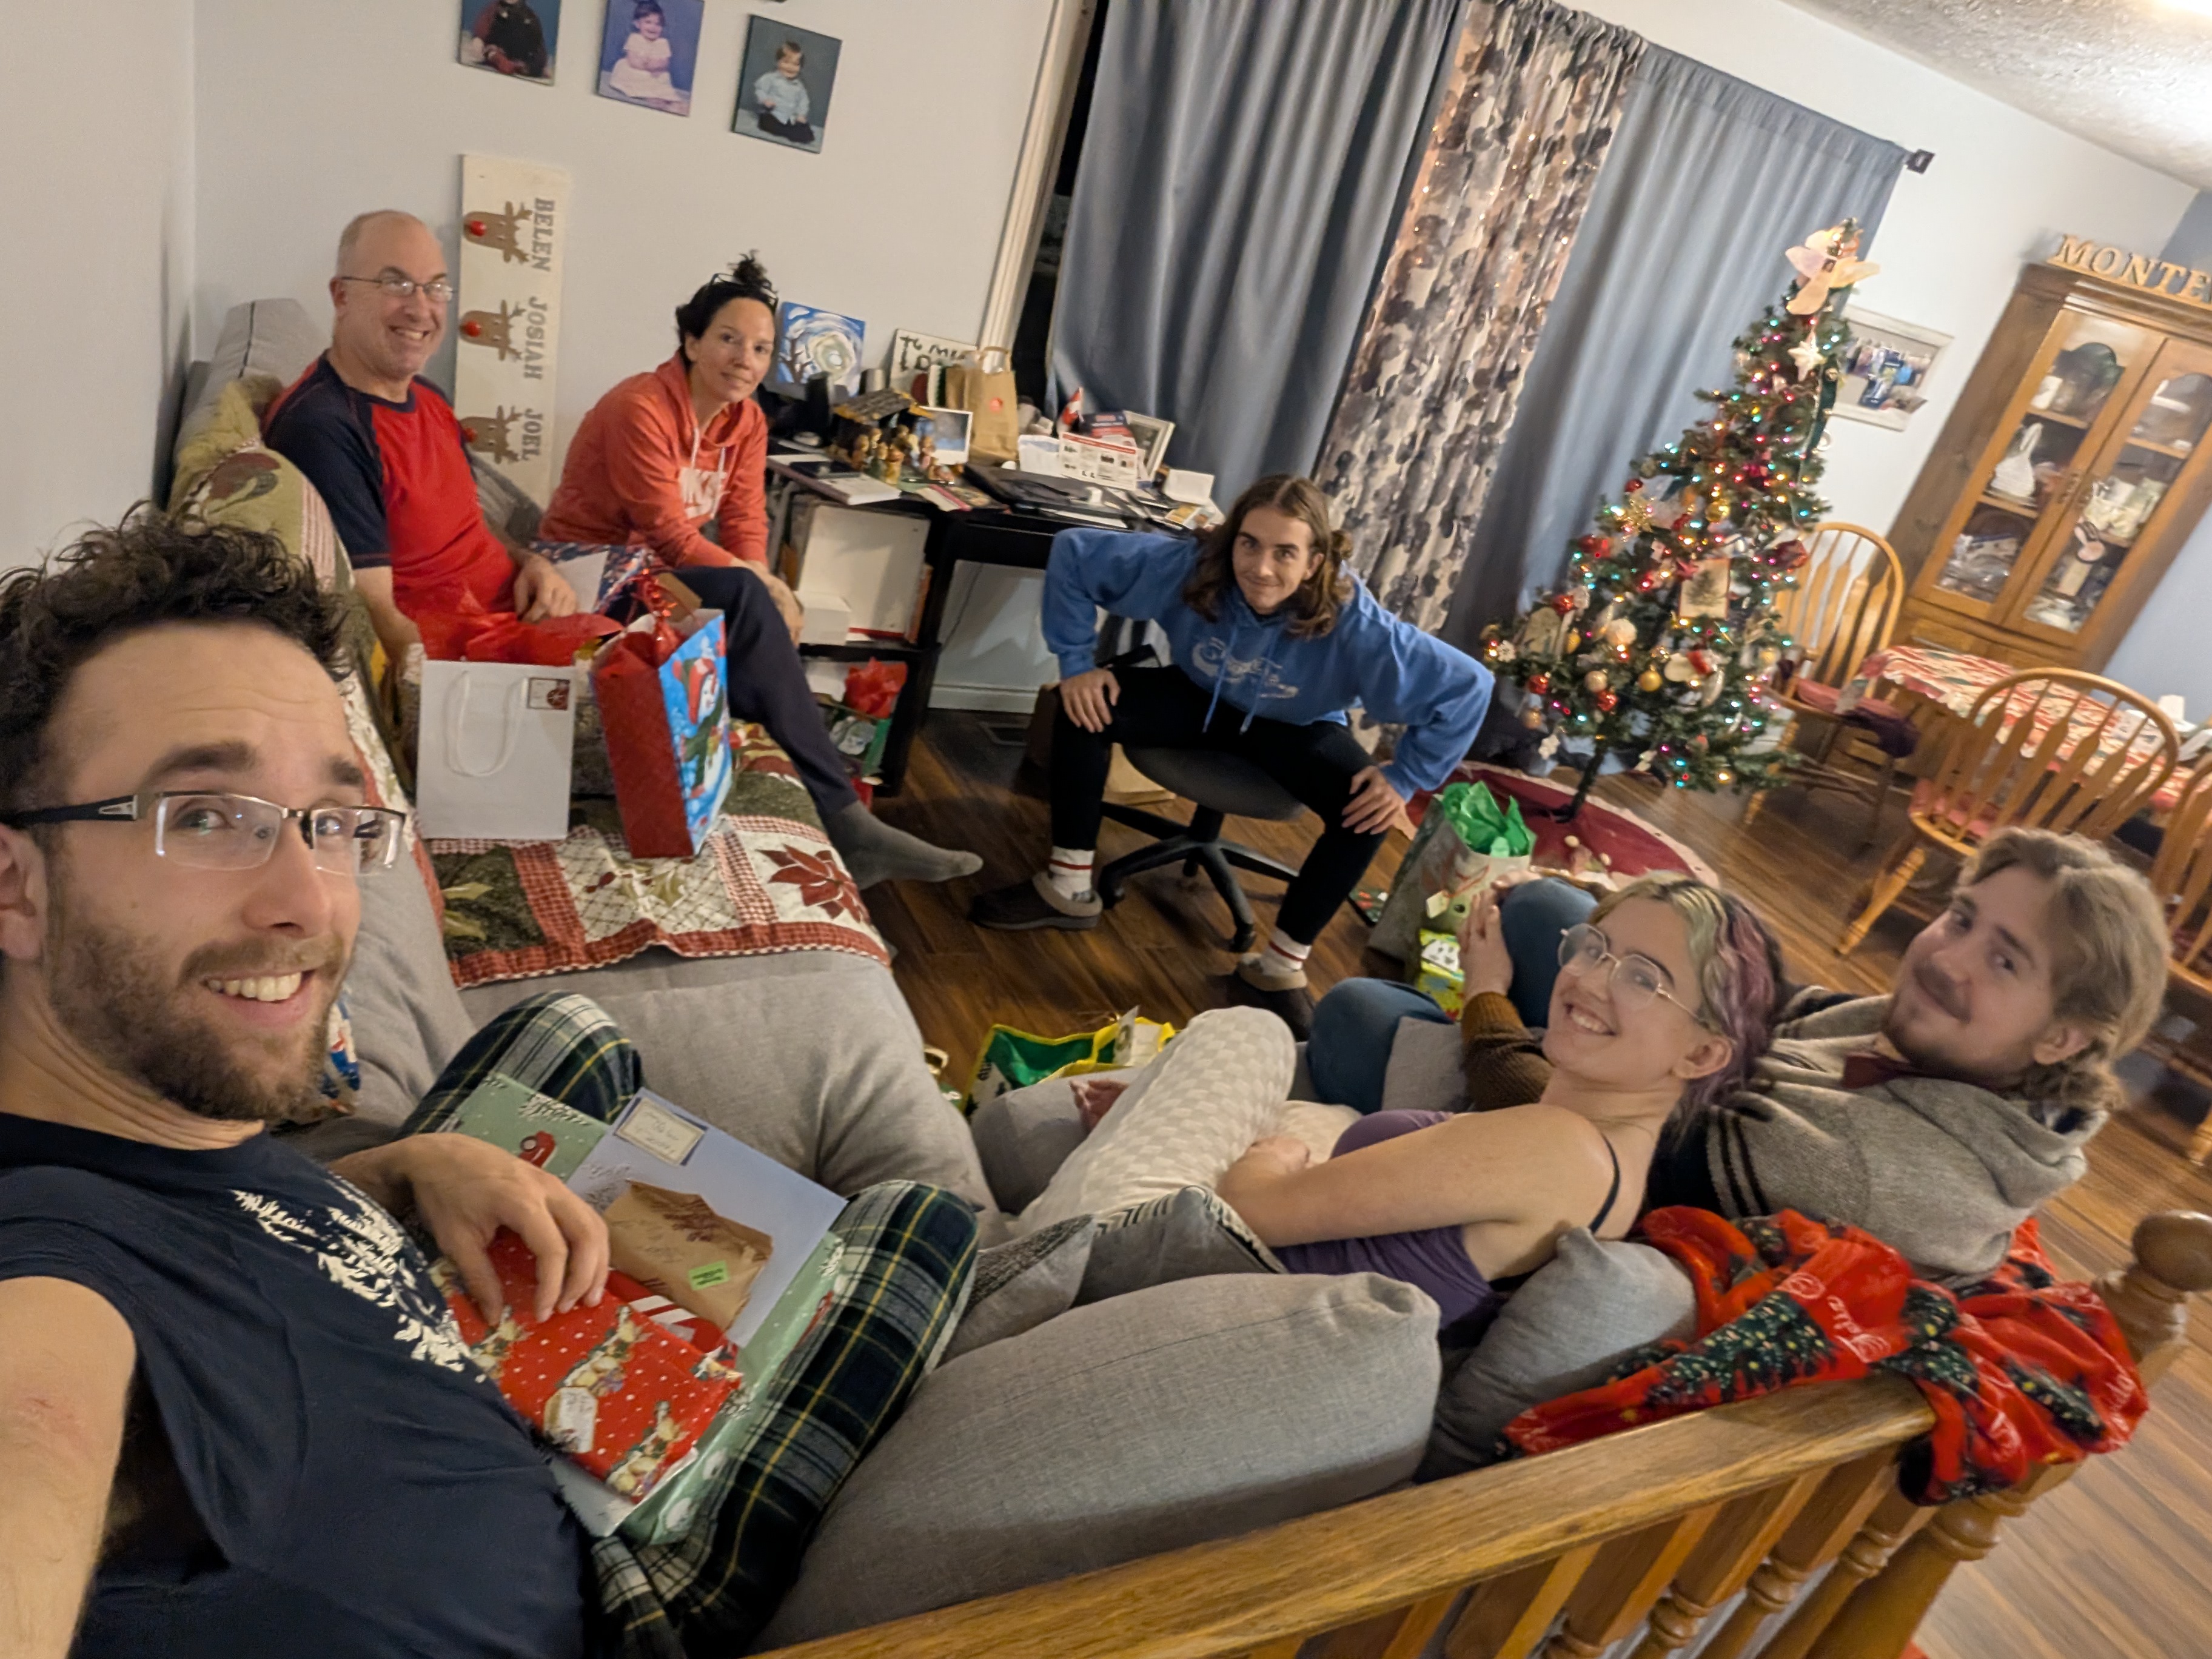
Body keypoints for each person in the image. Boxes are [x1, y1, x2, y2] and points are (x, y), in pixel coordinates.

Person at [0, 514, 974, 1658]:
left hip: (477, 1361)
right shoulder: (54, 1278)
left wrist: (402, 1170)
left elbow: (202, 1225)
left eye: (331, 823)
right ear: (16, 887)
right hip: (617, 1597)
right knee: (928, 1225)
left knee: (569, 1032)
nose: (310, 904)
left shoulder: (152, 1120)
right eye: (207, 816)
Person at [1307, 830, 2171, 1282]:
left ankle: (1452, 1026)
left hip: (1581, 1170)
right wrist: (1638, 923)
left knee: (1357, 1015)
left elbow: (1570, 1148)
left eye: (2005, 961)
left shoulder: (1868, 1170)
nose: (1947, 958)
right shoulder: (1932, 1042)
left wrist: (1489, 1000)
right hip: (1659, 1091)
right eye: (1961, 918)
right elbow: (1758, 1001)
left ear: (2063, 1037)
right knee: (1547, 910)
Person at [1020, 874, 1777, 1338]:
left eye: (1642, 978)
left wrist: (1264, 1153)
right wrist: (1182, 1117)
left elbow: (1253, 1209)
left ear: (1701, 1055)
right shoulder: (1597, 1155)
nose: (1590, 979)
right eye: (1594, 947)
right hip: (1193, 1261)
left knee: (1251, 1031)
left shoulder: (1561, 1147)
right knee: (1291, 1090)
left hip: (1145, 1263)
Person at [971, 475, 1493, 1013]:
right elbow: (1074, 552)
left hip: (1295, 725)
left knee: (1368, 811)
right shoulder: (1195, 566)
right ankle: (1068, 887)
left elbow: (1468, 686)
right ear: (1232, 542)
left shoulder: (1357, 622)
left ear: (1313, 562)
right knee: (1082, 706)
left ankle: (1278, 969)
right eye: (1250, 544)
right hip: (1199, 694)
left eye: (1285, 552)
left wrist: (1405, 777)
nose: (1261, 568)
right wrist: (1077, 663)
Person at [538, 257, 980, 888]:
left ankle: (810, 802)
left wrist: (772, 590)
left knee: (755, 607)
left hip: (656, 578)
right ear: (691, 342)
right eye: (728, 339)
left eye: (761, 348)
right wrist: (764, 588)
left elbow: (746, 519)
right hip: (589, 575)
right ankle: (846, 819)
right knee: (749, 598)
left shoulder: (745, 420)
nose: (744, 360)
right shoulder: (640, 408)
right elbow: (669, 533)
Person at [264, 210, 580, 663]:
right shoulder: (323, 427)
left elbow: (470, 518)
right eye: (396, 284)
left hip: (527, 616)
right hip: (475, 664)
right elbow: (381, 621)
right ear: (342, 295)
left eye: (435, 288)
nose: (420, 309)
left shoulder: (429, 397)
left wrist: (532, 562)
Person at [605, 1, 681, 110]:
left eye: (658, 24)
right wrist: (644, 66)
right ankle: (642, 92)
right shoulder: (635, 38)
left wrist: (657, 66)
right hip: (636, 69)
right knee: (626, 69)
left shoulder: (663, 43)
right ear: (637, 24)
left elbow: (665, 62)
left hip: (654, 73)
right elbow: (632, 59)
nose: (653, 27)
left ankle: (657, 95)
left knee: (664, 76)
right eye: (648, 22)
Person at [752, 39, 813, 144]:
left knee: (807, 132)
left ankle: (792, 131)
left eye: (796, 64)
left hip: (790, 118)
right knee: (768, 123)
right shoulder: (771, 78)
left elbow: (803, 102)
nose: (791, 67)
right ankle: (788, 132)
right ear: (777, 62)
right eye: (786, 62)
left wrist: (801, 115)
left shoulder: (799, 86)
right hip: (773, 114)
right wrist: (765, 100)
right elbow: (760, 90)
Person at [469, 0, 549, 78]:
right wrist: (478, 38)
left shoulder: (529, 15)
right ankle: (496, 58)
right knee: (494, 54)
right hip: (498, 46)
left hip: (520, 53)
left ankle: (522, 66)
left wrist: (540, 60)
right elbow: (483, 24)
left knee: (537, 62)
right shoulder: (494, 9)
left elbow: (537, 39)